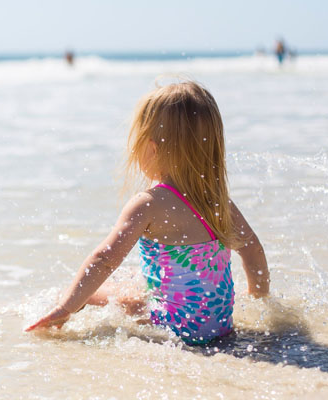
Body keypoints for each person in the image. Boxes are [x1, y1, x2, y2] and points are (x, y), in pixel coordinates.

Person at [25, 80, 270, 346]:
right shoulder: (220, 203)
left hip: (173, 328)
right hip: (219, 328)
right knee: (133, 277)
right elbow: (253, 249)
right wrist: (259, 301)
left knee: (87, 294)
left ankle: (51, 310)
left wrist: (67, 307)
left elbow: (104, 259)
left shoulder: (149, 203)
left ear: (152, 148)